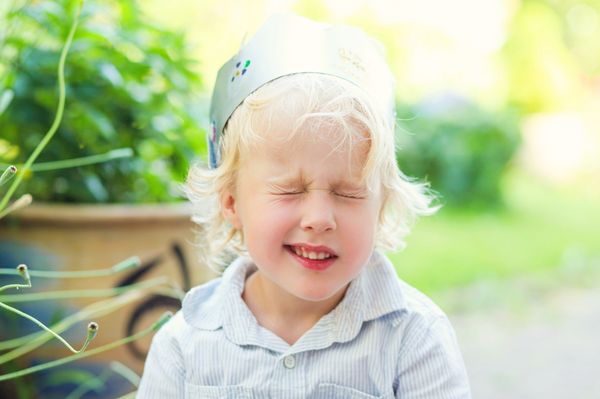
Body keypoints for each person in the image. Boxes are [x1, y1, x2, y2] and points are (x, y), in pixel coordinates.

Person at [138, 13, 471, 398]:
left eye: (347, 193)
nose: (318, 219)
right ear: (231, 202)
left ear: (381, 208)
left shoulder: (414, 339)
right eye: (290, 190)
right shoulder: (187, 343)